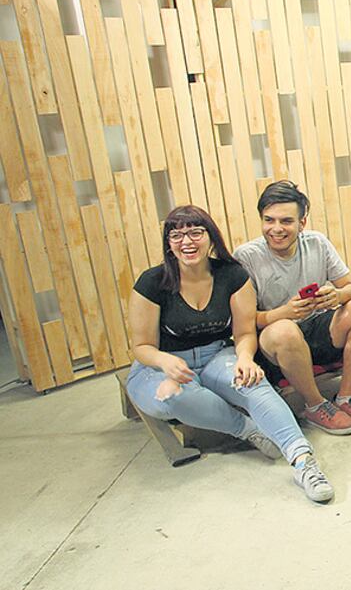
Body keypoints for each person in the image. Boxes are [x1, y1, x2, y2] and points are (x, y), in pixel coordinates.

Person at [125, 205, 333, 503]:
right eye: (177, 235)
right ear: (168, 244)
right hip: (159, 364)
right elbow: (142, 347)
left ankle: (303, 461)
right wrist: (165, 362)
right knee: (173, 395)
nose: (187, 242)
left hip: (215, 355)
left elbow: (245, 331)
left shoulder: (231, 275)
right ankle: (246, 429)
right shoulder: (151, 282)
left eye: (196, 233)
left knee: (252, 383)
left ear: (210, 237)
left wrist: (246, 359)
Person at [234, 181, 351, 435]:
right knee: (285, 330)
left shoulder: (317, 243)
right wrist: (285, 313)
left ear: (302, 223)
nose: (276, 229)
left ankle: (347, 397)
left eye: (286, 221)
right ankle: (315, 406)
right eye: (269, 220)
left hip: (316, 326)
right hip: (272, 339)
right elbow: (244, 321)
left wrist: (336, 295)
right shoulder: (246, 256)